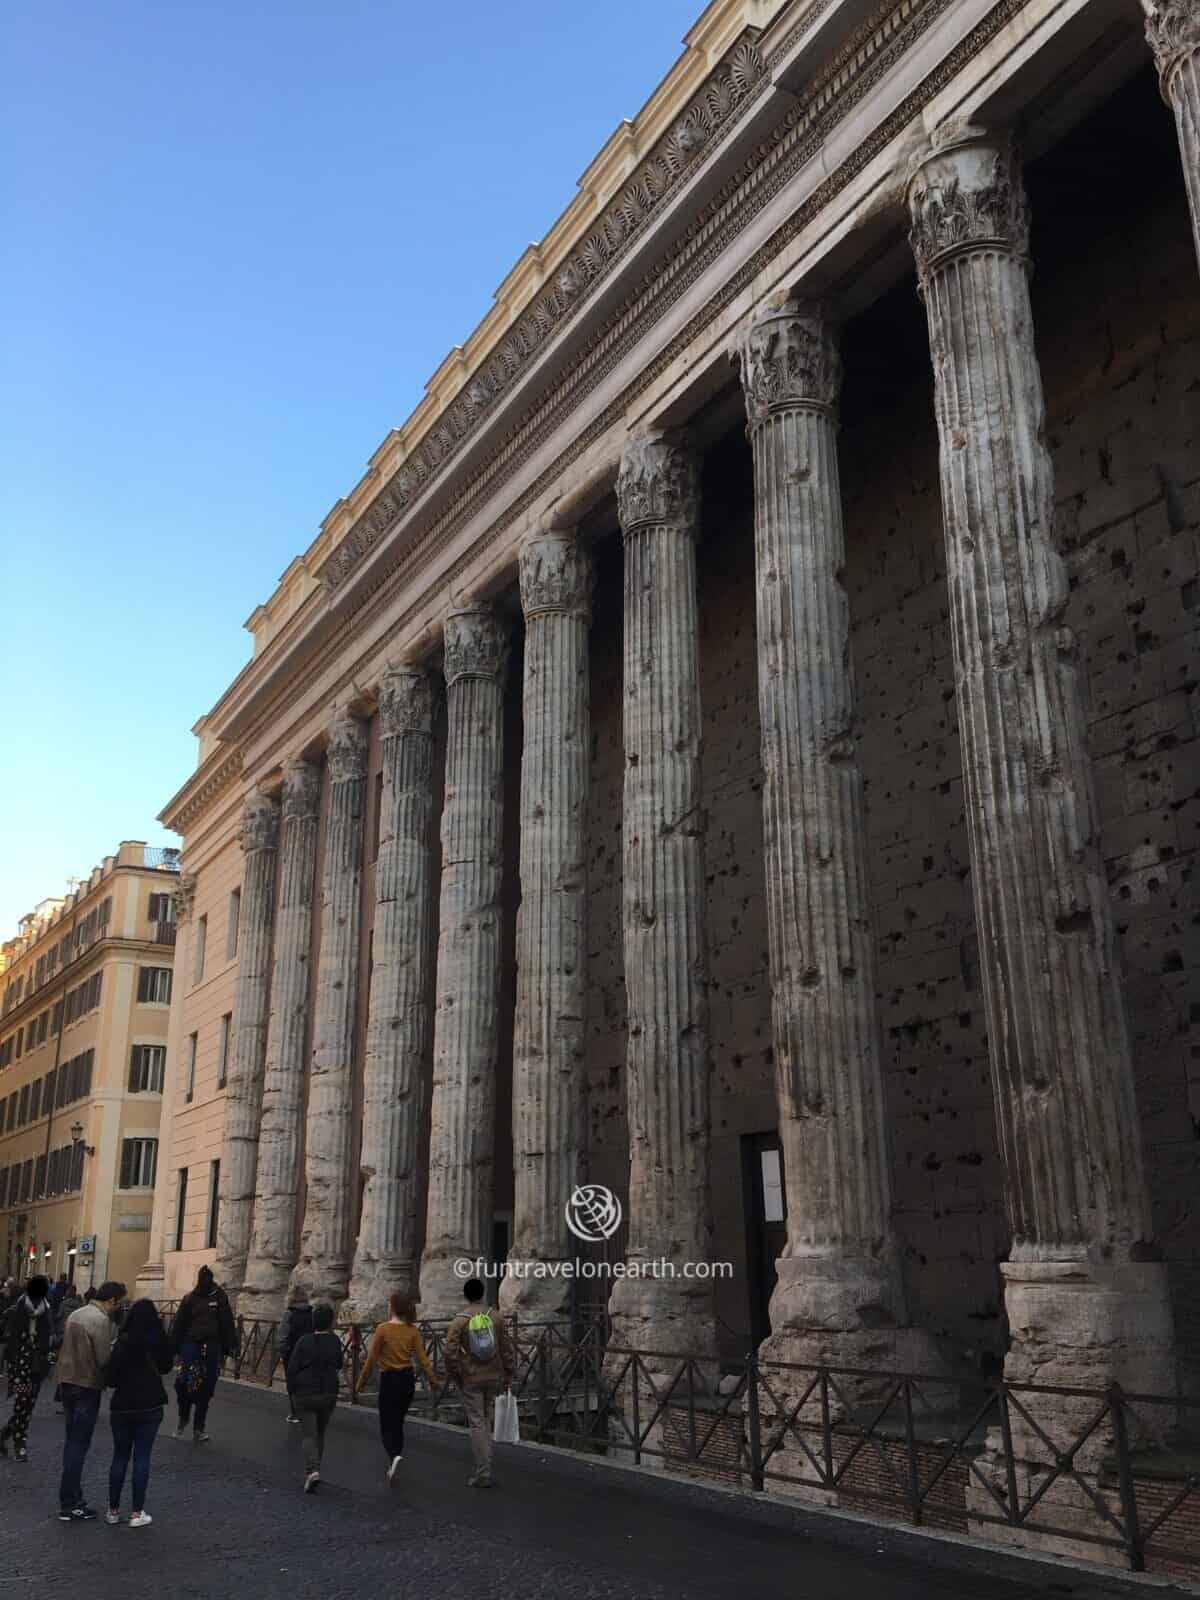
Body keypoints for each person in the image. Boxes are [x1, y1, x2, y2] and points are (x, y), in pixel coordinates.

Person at [55, 1279, 126, 1522]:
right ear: (112, 1300)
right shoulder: (100, 1320)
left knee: (70, 1441)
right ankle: (70, 1502)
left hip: (67, 1380)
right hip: (86, 1384)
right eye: (119, 1303)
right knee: (79, 1444)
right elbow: (104, 1359)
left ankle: (72, 1497)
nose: (119, 1308)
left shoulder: (77, 1313)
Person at [355, 1291, 436, 1483]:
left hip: (390, 1379)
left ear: (392, 1307)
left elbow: (371, 1359)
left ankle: (393, 1456)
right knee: (398, 1420)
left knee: (386, 1422)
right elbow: (423, 1360)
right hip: (407, 1379)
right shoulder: (413, 1330)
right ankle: (396, 1456)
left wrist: (360, 1383)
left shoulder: (383, 1329)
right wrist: (433, 1380)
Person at [105, 1299, 172, 1527]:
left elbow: (111, 1378)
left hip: (123, 1405)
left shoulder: (122, 1342)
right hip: (150, 1405)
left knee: (119, 1457)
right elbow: (166, 1366)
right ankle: (136, 1513)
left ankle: (113, 1511)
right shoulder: (157, 1339)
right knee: (142, 1458)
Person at [444, 1279, 514, 1489]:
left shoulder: (460, 1321)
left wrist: (456, 1373)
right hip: (493, 1376)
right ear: (483, 1294)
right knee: (486, 1418)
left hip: (470, 1377)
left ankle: (483, 1471)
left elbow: (449, 1353)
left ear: (466, 1296)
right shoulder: (496, 1317)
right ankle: (487, 1463)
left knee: (477, 1422)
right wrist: (509, 1372)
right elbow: (506, 1347)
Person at [169, 1265, 237, 1441]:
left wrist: (231, 1346)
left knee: (206, 1388)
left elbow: (227, 1322)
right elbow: (179, 1324)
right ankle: (183, 1418)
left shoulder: (220, 1297)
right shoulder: (189, 1299)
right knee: (183, 1382)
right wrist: (174, 1347)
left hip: (212, 1347)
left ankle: (199, 1427)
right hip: (191, 1345)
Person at [285, 1302, 343, 1494]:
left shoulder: (304, 1341)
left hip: (304, 1393)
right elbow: (339, 1364)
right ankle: (317, 1468)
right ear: (330, 1323)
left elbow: (292, 1369)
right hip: (328, 1392)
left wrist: (292, 1392)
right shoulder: (335, 1341)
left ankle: (312, 1470)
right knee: (320, 1433)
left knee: (309, 1434)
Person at [0, 1275, 53, 1463]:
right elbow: (10, 1338)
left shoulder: (46, 1309)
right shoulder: (18, 1308)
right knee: (22, 1403)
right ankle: (19, 1443)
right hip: (21, 1367)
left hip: (36, 1368)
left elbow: (47, 1338)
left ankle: (4, 1433)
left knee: (28, 1405)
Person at [277, 1285, 313, 1425]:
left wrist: (283, 1352)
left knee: (293, 1383)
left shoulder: (289, 1314)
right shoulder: (312, 1313)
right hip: (309, 1353)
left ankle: (296, 1413)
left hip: (292, 1353)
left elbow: (283, 1335)